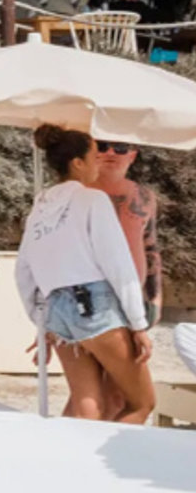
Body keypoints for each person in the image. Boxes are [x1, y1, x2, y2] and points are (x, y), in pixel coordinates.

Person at [17, 125, 154, 423]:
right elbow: (117, 265)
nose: (99, 162)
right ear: (77, 163)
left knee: (86, 408)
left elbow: (24, 270)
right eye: (94, 156)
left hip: (57, 311)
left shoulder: (40, 205)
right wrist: (138, 324)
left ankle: (71, 468)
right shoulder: (92, 200)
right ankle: (101, 470)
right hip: (95, 306)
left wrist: (40, 323)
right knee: (141, 403)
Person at [91, 137, 163, 419]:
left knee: (117, 392)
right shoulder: (79, 194)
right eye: (103, 145)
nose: (111, 153)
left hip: (132, 301)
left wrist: (154, 300)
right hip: (94, 300)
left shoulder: (145, 197)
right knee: (93, 394)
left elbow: (151, 248)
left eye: (120, 147)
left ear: (132, 155)